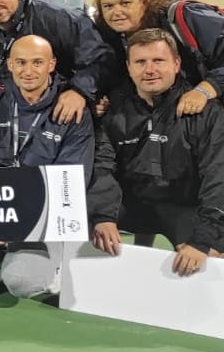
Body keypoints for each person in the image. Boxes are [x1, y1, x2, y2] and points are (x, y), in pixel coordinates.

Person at [0, 35, 95, 299]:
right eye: (20, 62)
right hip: (1, 203)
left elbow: (69, 180)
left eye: (37, 63)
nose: (28, 71)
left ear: (51, 64)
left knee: (23, 284)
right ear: (9, 64)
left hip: (45, 212)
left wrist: (14, 224)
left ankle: (54, 263)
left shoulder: (72, 110)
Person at [88, 29, 224, 277]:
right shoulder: (112, 110)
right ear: (129, 68)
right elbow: (101, 167)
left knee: (212, 256)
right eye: (140, 62)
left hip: (182, 206)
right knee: (80, 222)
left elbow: (218, 177)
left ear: (176, 64)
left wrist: (203, 240)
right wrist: (102, 216)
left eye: (158, 61)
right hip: (130, 203)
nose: (149, 70)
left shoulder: (207, 113)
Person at [92, 0, 224, 113]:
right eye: (108, 6)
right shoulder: (109, 36)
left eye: (125, 3)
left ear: (145, 1)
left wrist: (205, 90)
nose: (116, 12)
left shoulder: (186, 16)